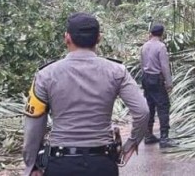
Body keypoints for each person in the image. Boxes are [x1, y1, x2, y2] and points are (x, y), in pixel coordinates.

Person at [22, 12, 149, 176]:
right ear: (99, 38)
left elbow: (33, 127)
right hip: (102, 164)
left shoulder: (46, 75)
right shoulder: (117, 71)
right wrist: (132, 143)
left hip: (60, 164)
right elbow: (143, 111)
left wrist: (32, 165)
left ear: (67, 38)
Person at [140, 24, 177, 148]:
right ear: (162, 34)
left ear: (151, 33)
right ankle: (164, 138)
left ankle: (148, 135)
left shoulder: (144, 46)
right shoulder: (161, 47)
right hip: (156, 78)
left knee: (150, 105)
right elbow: (164, 66)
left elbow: (142, 63)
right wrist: (169, 83)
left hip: (146, 77)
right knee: (163, 106)